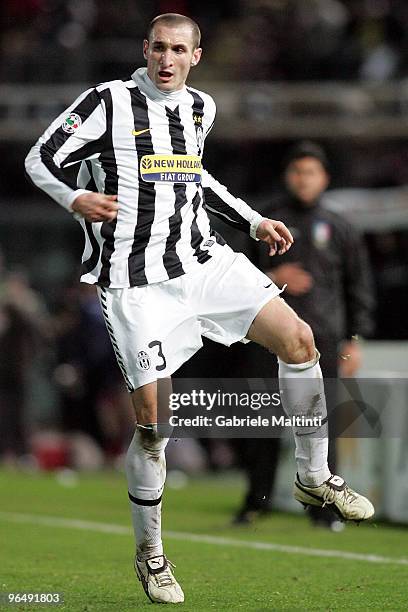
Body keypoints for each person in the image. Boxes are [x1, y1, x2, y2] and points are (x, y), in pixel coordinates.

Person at [25, 14, 374, 605]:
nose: (166, 58)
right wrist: (74, 196)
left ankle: (314, 478)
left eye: (178, 49)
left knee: (301, 341)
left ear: (195, 56)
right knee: (153, 428)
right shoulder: (107, 103)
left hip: (202, 263)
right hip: (134, 285)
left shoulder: (200, 109)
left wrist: (253, 219)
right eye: (158, 47)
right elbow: (39, 158)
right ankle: (151, 554)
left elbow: (197, 178)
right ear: (145, 50)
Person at [234, 141, 375, 529]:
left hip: (324, 339)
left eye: (310, 172)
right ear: (287, 176)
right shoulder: (266, 223)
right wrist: (272, 278)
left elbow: (358, 286)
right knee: (260, 421)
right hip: (267, 337)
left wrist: (355, 339)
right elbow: (232, 273)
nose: (303, 179)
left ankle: (323, 510)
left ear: (324, 178)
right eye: (297, 171)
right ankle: (254, 501)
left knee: (321, 423)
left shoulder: (341, 227)